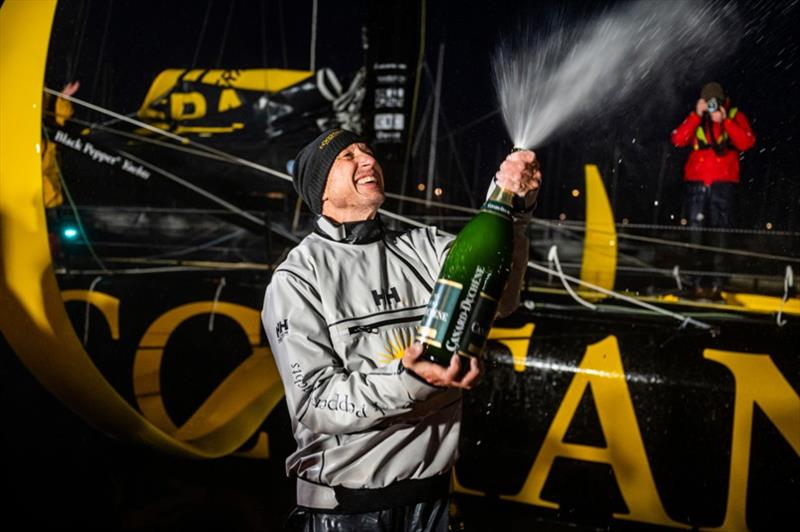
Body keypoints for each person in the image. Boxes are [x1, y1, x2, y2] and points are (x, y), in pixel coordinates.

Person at [261, 128, 541, 531]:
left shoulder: (424, 246)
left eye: (368, 151)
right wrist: (409, 381)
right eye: (348, 157)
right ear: (320, 189)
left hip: (435, 504)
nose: (368, 160)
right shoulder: (297, 278)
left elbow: (500, 298)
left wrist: (515, 212)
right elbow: (315, 402)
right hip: (345, 513)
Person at [671, 81, 755, 299]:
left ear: (722, 100)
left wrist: (725, 121)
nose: (711, 105)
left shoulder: (734, 115)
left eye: (714, 101)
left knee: (722, 235)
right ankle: (695, 284)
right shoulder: (697, 117)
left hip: (724, 185)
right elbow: (678, 139)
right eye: (708, 101)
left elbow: (746, 142)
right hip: (696, 183)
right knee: (695, 234)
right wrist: (696, 115)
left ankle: (719, 286)